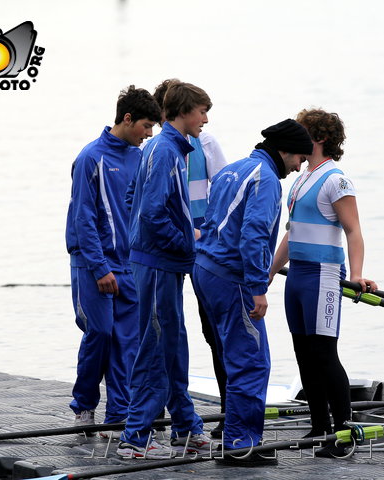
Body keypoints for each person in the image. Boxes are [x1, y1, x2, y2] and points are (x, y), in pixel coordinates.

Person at [192, 119, 313, 466]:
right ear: (285, 150)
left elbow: (209, 221)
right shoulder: (267, 179)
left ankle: (234, 436)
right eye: (299, 159)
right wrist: (259, 288)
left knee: (232, 357)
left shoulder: (232, 170)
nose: (299, 166)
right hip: (232, 279)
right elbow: (255, 236)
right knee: (252, 361)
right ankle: (241, 445)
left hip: (205, 270)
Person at [269, 108, 378, 458]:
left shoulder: (336, 179)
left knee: (324, 354)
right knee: (303, 352)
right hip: (298, 275)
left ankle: (344, 435)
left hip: (324, 276)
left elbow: (354, 231)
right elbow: (292, 232)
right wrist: (270, 270)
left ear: (319, 138)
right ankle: (319, 427)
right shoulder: (301, 178)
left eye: (303, 132)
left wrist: (358, 274)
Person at [117, 80, 213, 459]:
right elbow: (152, 214)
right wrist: (189, 240)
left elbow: (133, 198)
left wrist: (185, 235)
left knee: (174, 346)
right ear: (185, 112)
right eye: (202, 111)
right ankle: (134, 438)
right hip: (157, 264)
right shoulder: (166, 151)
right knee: (154, 348)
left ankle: (186, 426)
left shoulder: (170, 148)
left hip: (163, 263)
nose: (205, 120)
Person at [65, 86, 161, 431]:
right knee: (101, 333)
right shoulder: (91, 157)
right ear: (127, 118)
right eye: (146, 126)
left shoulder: (140, 157)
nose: (149, 134)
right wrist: (99, 267)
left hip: (129, 265)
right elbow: (83, 218)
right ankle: (84, 405)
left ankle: (119, 412)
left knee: (127, 342)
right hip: (93, 265)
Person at [152, 80, 230, 438]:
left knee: (212, 330)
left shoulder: (205, 143)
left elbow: (224, 191)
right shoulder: (156, 149)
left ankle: (231, 410)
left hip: (202, 247)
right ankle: (164, 415)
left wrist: (209, 237)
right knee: (164, 332)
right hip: (172, 247)